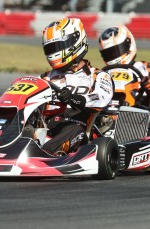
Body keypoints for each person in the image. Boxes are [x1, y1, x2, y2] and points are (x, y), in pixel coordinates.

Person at [39, 18, 113, 156]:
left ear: (74, 43)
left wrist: (74, 98)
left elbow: (101, 98)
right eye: (50, 48)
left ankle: (43, 155)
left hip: (77, 129)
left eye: (57, 47)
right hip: (46, 126)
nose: (53, 52)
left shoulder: (98, 76)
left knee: (74, 129)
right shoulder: (45, 78)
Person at [98, 25, 150, 129]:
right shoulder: (104, 72)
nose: (113, 56)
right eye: (108, 53)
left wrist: (149, 86)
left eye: (115, 51)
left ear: (128, 45)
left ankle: (140, 131)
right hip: (107, 111)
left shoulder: (147, 68)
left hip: (138, 110)